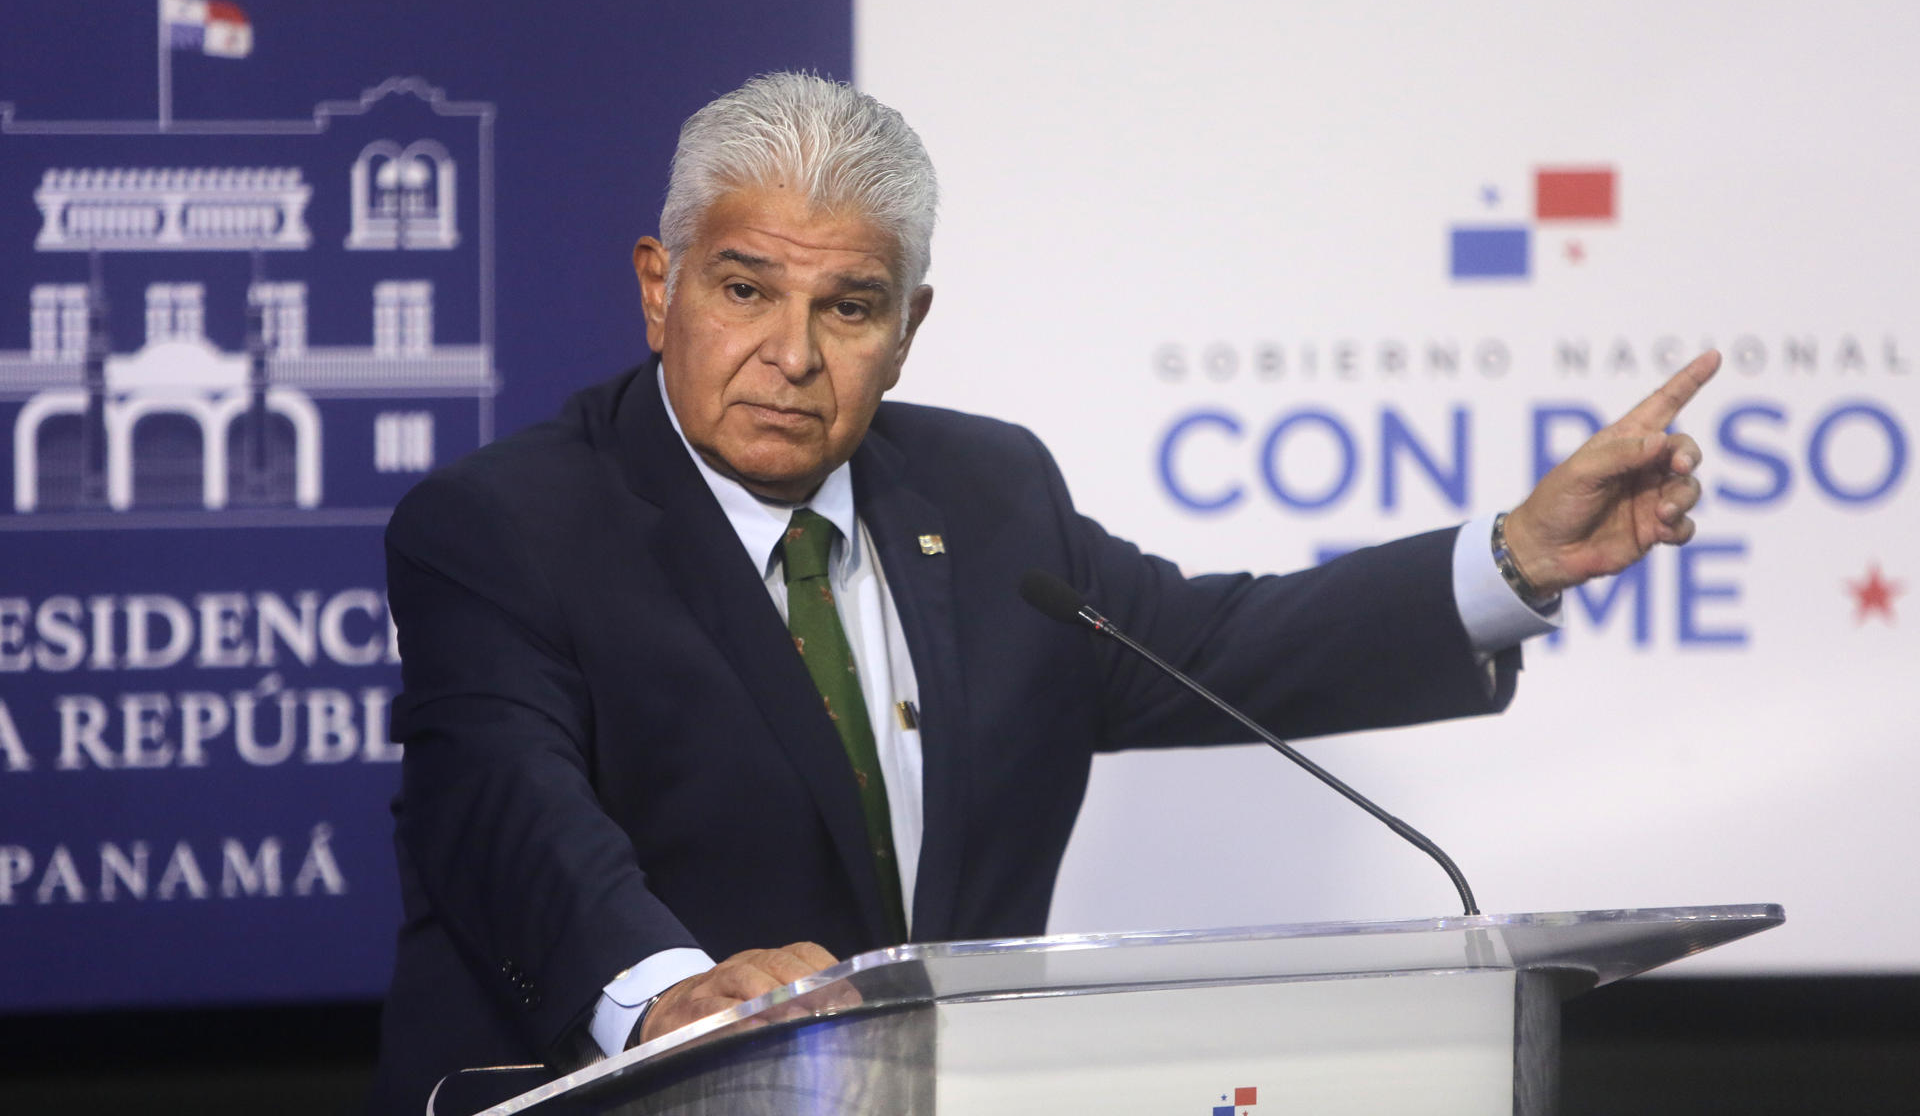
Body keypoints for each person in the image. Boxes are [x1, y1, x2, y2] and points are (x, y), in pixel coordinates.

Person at [366, 72, 1716, 1113]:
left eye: (848, 307)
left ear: (911, 328)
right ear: (659, 289)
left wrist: (1521, 556)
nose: (789, 353)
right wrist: (671, 997)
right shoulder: (505, 527)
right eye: (743, 288)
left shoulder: (986, 493)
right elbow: (508, 810)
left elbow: (1217, 645)